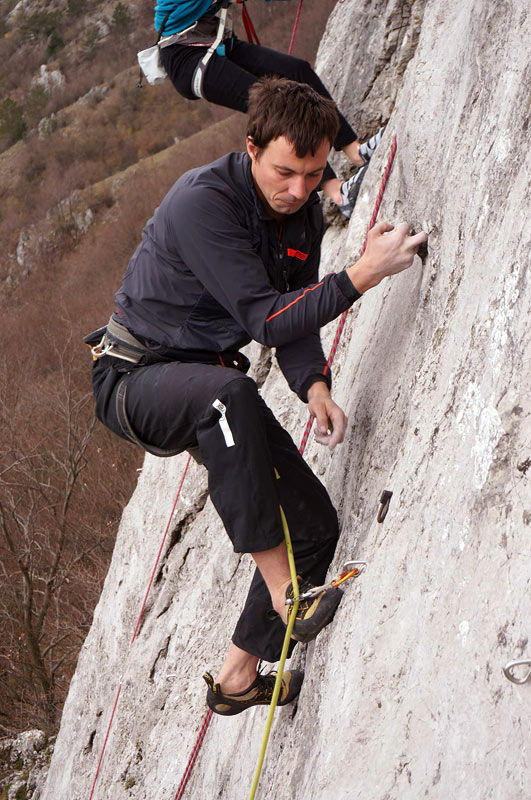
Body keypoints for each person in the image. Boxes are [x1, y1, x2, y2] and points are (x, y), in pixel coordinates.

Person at [86, 77, 427, 716]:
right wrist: (362, 274)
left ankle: (239, 675)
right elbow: (265, 321)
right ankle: (285, 597)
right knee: (228, 393)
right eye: (285, 171)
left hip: (204, 379)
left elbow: (294, 304)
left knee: (315, 526)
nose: (298, 189)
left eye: (313, 173)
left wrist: (314, 384)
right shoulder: (203, 204)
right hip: (134, 379)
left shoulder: (296, 212)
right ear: (250, 147)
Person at [152, 0, 384, 218]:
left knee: (297, 70)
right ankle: (339, 194)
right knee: (278, 107)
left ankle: (355, 151)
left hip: (217, 42)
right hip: (187, 58)